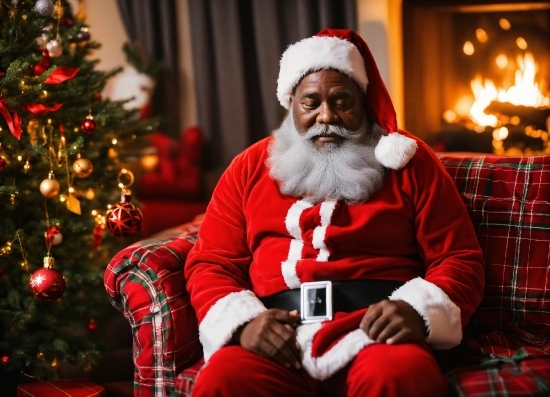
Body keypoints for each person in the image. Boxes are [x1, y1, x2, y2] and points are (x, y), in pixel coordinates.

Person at [184, 28, 484, 397]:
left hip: (376, 334)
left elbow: (458, 257)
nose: (327, 116)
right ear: (291, 103)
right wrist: (245, 324)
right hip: (278, 336)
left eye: (342, 101)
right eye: (311, 103)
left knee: (401, 378)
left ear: (363, 102)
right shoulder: (249, 166)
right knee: (223, 382)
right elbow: (211, 263)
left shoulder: (409, 160)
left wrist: (416, 311)